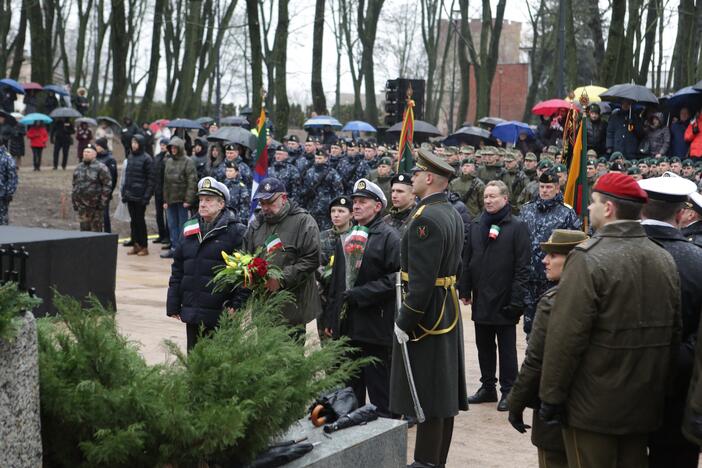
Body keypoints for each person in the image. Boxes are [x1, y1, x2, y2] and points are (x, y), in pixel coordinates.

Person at [539, 172, 681, 468]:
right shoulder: (663, 258)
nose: (588, 209)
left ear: (608, 208)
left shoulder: (587, 258)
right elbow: (673, 336)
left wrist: (551, 397)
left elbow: (566, 337)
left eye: (592, 203)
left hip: (592, 409)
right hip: (642, 405)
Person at [390, 149, 467, 468]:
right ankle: (435, 461)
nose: (413, 177)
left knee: (429, 394)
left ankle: (424, 462)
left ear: (431, 178)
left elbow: (421, 284)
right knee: (441, 393)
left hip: (428, 315)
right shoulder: (448, 211)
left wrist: (404, 321)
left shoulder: (427, 219)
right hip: (445, 307)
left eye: (418, 173)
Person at [507, 229, 588, 468]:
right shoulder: (600, 293)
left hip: (555, 411)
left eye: (553, 255)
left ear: (572, 258)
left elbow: (536, 361)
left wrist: (516, 403)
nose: (544, 260)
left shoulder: (555, 300)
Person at [637, 174, 702, 467]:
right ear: (680, 214)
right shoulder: (697, 260)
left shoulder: (608, 253)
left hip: (615, 394)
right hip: (679, 391)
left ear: (642, 210)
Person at [322, 179, 400, 417]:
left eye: (362, 202)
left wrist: (361, 294)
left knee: (380, 392)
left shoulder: (389, 237)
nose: (356, 206)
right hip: (349, 327)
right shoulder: (347, 237)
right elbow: (336, 284)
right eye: (355, 201)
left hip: (375, 326)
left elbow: (396, 278)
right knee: (350, 393)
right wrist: (331, 319)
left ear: (378, 206)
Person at [460, 180, 530, 412]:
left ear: (505, 199)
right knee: (484, 346)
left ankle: (509, 391)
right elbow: (468, 259)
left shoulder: (517, 226)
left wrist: (517, 300)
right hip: (481, 297)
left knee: (507, 349)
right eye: (486, 197)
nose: (488, 200)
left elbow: (522, 267)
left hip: (505, 298)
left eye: (493, 197)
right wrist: (465, 288)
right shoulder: (477, 223)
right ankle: (487, 387)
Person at [166, 177, 248, 351]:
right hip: (193, 310)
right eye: (201, 199)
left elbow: (245, 275)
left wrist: (236, 305)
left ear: (221, 204)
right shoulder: (189, 229)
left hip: (222, 312)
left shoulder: (236, 231)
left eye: (208, 200)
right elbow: (178, 269)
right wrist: (173, 303)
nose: (202, 204)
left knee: (220, 364)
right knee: (195, 362)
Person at [243, 177, 322, 336]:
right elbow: (245, 255)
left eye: (270, 202)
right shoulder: (256, 224)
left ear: (284, 198)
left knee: (290, 358)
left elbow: (312, 259)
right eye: (262, 203)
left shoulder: (303, 221)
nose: (265, 208)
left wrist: (281, 279)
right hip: (263, 306)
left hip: (293, 308)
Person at [519, 170, 581, 334]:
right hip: (529, 280)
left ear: (557, 188)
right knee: (530, 330)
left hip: (553, 281)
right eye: (542, 186)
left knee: (552, 328)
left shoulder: (567, 213)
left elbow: (574, 247)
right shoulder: (526, 210)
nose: (545, 190)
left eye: (549, 187)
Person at [161, 136, 197, 259]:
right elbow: (166, 182)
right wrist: (165, 200)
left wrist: (188, 200)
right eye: (172, 147)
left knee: (183, 225)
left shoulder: (188, 161)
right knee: (172, 225)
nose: (173, 150)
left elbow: (192, 181)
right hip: (170, 200)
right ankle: (174, 248)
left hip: (182, 201)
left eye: (175, 147)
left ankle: (182, 249)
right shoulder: (169, 161)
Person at [122, 135, 154, 256]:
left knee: (140, 221)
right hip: (130, 196)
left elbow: (151, 180)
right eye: (132, 142)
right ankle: (136, 245)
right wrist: (125, 192)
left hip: (140, 197)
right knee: (133, 221)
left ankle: (144, 246)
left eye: (136, 143)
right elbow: (127, 177)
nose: (134, 145)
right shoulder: (130, 157)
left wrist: (146, 197)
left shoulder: (147, 159)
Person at [72, 143, 112, 232]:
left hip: (95, 207)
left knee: (95, 232)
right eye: (85, 152)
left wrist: (102, 203)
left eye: (89, 152)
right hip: (82, 207)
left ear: (95, 154)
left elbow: (107, 186)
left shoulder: (101, 167)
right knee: (84, 232)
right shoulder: (79, 167)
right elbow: (75, 185)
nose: (86, 154)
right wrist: (75, 202)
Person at [300, 149, 344, 230]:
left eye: (320, 158)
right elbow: (304, 191)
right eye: (316, 158)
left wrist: (335, 209)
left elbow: (338, 192)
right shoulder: (310, 172)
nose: (317, 160)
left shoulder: (332, 173)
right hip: (312, 208)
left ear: (326, 158)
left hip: (326, 210)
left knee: (326, 234)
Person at [95, 138, 118, 233]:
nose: (96, 147)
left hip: (105, 192)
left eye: (97, 145)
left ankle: (107, 234)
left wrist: (109, 192)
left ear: (102, 146)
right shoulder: (95, 157)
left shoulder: (110, 159)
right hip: (94, 192)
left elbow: (113, 178)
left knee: (104, 216)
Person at [152, 138, 170, 245]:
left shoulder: (168, 158)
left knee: (168, 216)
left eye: (164, 145)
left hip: (166, 191)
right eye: (161, 145)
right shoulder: (157, 157)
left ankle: (168, 236)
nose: (162, 146)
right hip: (157, 190)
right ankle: (161, 234)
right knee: (158, 214)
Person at [0, 143, 18, 225]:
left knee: (2, 222)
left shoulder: (7, 157)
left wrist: (9, 193)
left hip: (2, 196)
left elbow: (12, 177)